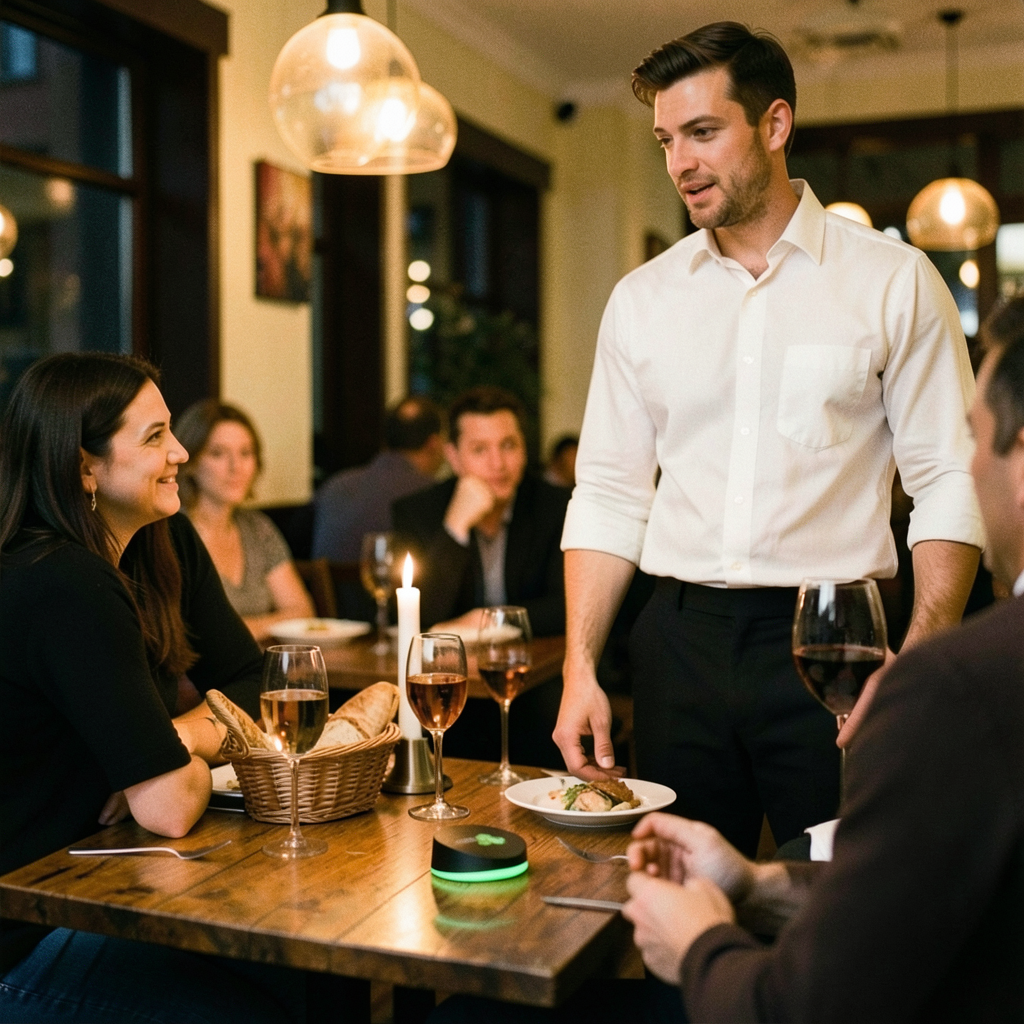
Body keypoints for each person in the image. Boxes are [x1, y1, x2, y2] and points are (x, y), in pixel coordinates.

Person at [554, 21, 984, 856]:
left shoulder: (895, 282)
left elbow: (950, 478)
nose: (680, 161)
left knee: (844, 892)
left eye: (704, 132)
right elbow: (608, 492)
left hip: (834, 643)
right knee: (675, 891)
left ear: (775, 125)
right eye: (667, 139)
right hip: (676, 643)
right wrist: (579, 668)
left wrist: (920, 653)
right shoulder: (640, 302)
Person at [621, 294, 1024, 1023]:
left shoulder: (966, 688)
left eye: (975, 439)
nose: (963, 471)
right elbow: (926, 904)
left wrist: (700, 940)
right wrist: (758, 884)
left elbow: (809, 1007)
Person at [0, 354, 300, 1023]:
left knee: (306, 983)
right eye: (155, 437)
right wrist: (163, 767)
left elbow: (255, 681)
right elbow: (166, 805)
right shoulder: (61, 579)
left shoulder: (163, 538)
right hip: (23, 933)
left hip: (107, 879)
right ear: (85, 467)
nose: (181, 453)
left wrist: (173, 739)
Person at [392, 386, 569, 637]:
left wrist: (491, 620)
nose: (497, 463)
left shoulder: (556, 506)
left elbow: (565, 607)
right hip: (446, 667)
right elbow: (416, 617)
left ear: (524, 450)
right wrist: (454, 529)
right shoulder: (416, 511)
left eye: (508, 445)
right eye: (479, 449)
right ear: (453, 457)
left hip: (533, 664)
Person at [175, 400, 314, 644]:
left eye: (245, 453)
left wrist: (242, 629)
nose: (236, 467)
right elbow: (186, 634)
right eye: (218, 453)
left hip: (260, 671)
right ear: (191, 462)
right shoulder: (173, 533)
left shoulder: (258, 528)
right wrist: (269, 624)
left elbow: (303, 613)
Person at [312, 395, 446, 563]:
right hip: (398, 587)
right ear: (434, 443)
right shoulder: (434, 493)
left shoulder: (335, 484)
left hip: (322, 590)